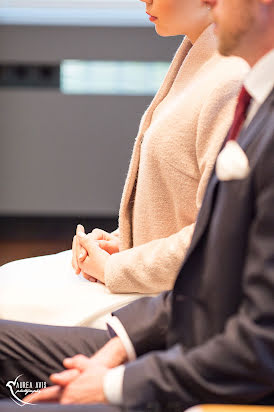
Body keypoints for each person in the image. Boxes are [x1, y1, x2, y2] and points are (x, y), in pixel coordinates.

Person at [0, 0, 274, 410]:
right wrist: (121, 243)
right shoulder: (203, 57)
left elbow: (237, 308)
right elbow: (206, 237)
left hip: (169, 306)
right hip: (159, 300)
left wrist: (116, 379)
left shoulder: (234, 78)